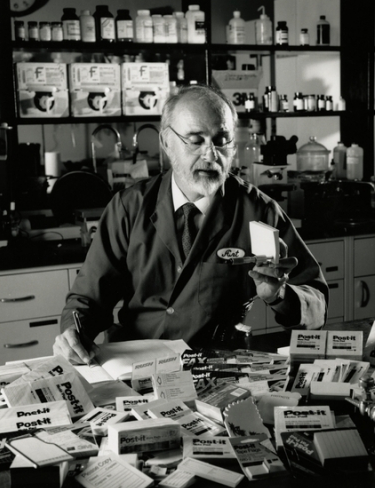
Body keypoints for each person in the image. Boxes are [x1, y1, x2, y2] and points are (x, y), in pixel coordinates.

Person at [53, 84, 328, 364]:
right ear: (166, 143)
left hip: (218, 368)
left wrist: (280, 295)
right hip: (134, 366)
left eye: (222, 140)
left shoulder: (259, 211)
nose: (211, 155)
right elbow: (87, 300)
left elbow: (316, 303)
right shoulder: (129, 207)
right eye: (196, 140)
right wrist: (73, 334)